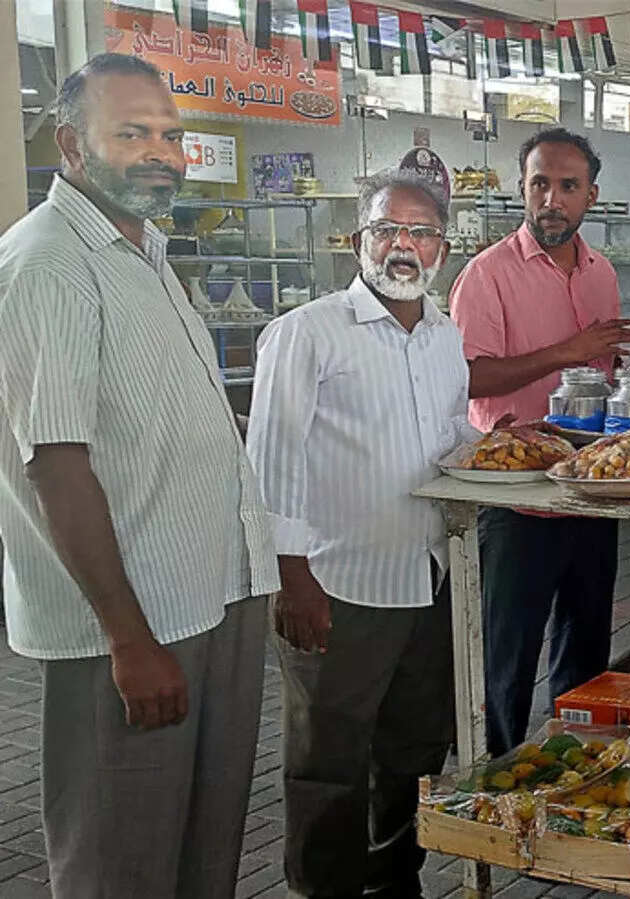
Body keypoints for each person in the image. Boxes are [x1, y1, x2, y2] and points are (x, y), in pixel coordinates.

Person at [0, 53, 277, 896]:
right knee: (120, 862)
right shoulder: (49, 263)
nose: (160, 151)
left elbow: (161, 413)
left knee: (200, 851)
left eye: (169, 134)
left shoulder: (144, 251)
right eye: (132, 133)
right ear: (71, 144)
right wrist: (128, 637)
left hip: (211, 595)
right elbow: (55, 465)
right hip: (134, 621)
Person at [247, 170, 475, 898]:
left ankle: (391, 881)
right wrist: (294, 578)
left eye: (422, 232)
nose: (404, 246)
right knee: (327, 760)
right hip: (337, 585)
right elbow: (271, 460)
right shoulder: (306, 332)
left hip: (426, 574)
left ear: (444, 246)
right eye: (388, 230)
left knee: (413, 747)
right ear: (358, 242)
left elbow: (447, 443)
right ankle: (325, 887)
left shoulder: (446, 336)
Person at [448, 128, 630, 754]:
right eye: (539, 184)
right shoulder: (487, 276)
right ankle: (497, 775)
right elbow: (469, 375)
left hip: (590, 488)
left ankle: (574, 765)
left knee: (585, 647)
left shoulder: (601, 275)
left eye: (567, 186)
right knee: (508, 653)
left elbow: (606, 374)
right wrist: (569, 351)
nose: (552, 199)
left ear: (591, 196)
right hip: (517, 497)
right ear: (521, 189)